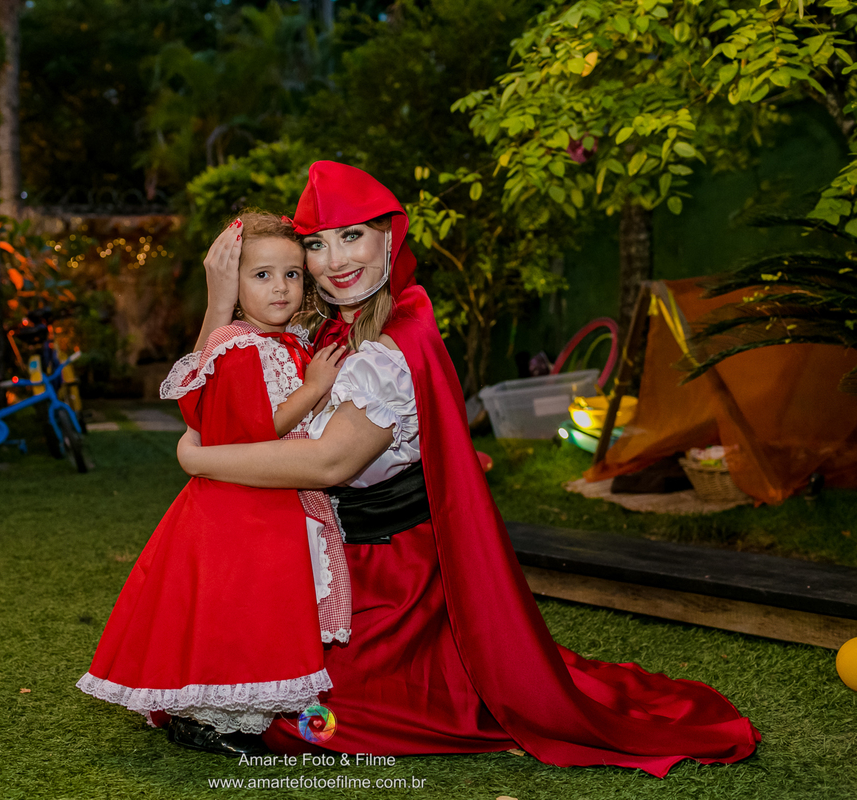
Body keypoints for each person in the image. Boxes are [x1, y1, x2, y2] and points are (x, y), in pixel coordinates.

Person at [176, 162, 761, 777]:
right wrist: (219, 306)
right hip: (323, 555)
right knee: (218, 671)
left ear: (388, 238)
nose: (334, 260)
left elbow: (327, 462)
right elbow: (206, 398)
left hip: (388, 576)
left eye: (351, 236)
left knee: (308, 717)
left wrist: (198, 457)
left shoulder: (388, 349)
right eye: (317, 244)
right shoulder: (322, 324)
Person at [77, 211, 350, 757]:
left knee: (256, 613)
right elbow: (256, 431)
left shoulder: (286, 340)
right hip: (240, 505)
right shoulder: (239, 344)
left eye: (292, 274)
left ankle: (238, 715)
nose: (281, 287)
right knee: (235, 611)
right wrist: (316, 387)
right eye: (262, 275)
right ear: (234, 284)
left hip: (268, 498)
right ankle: (206, 720)